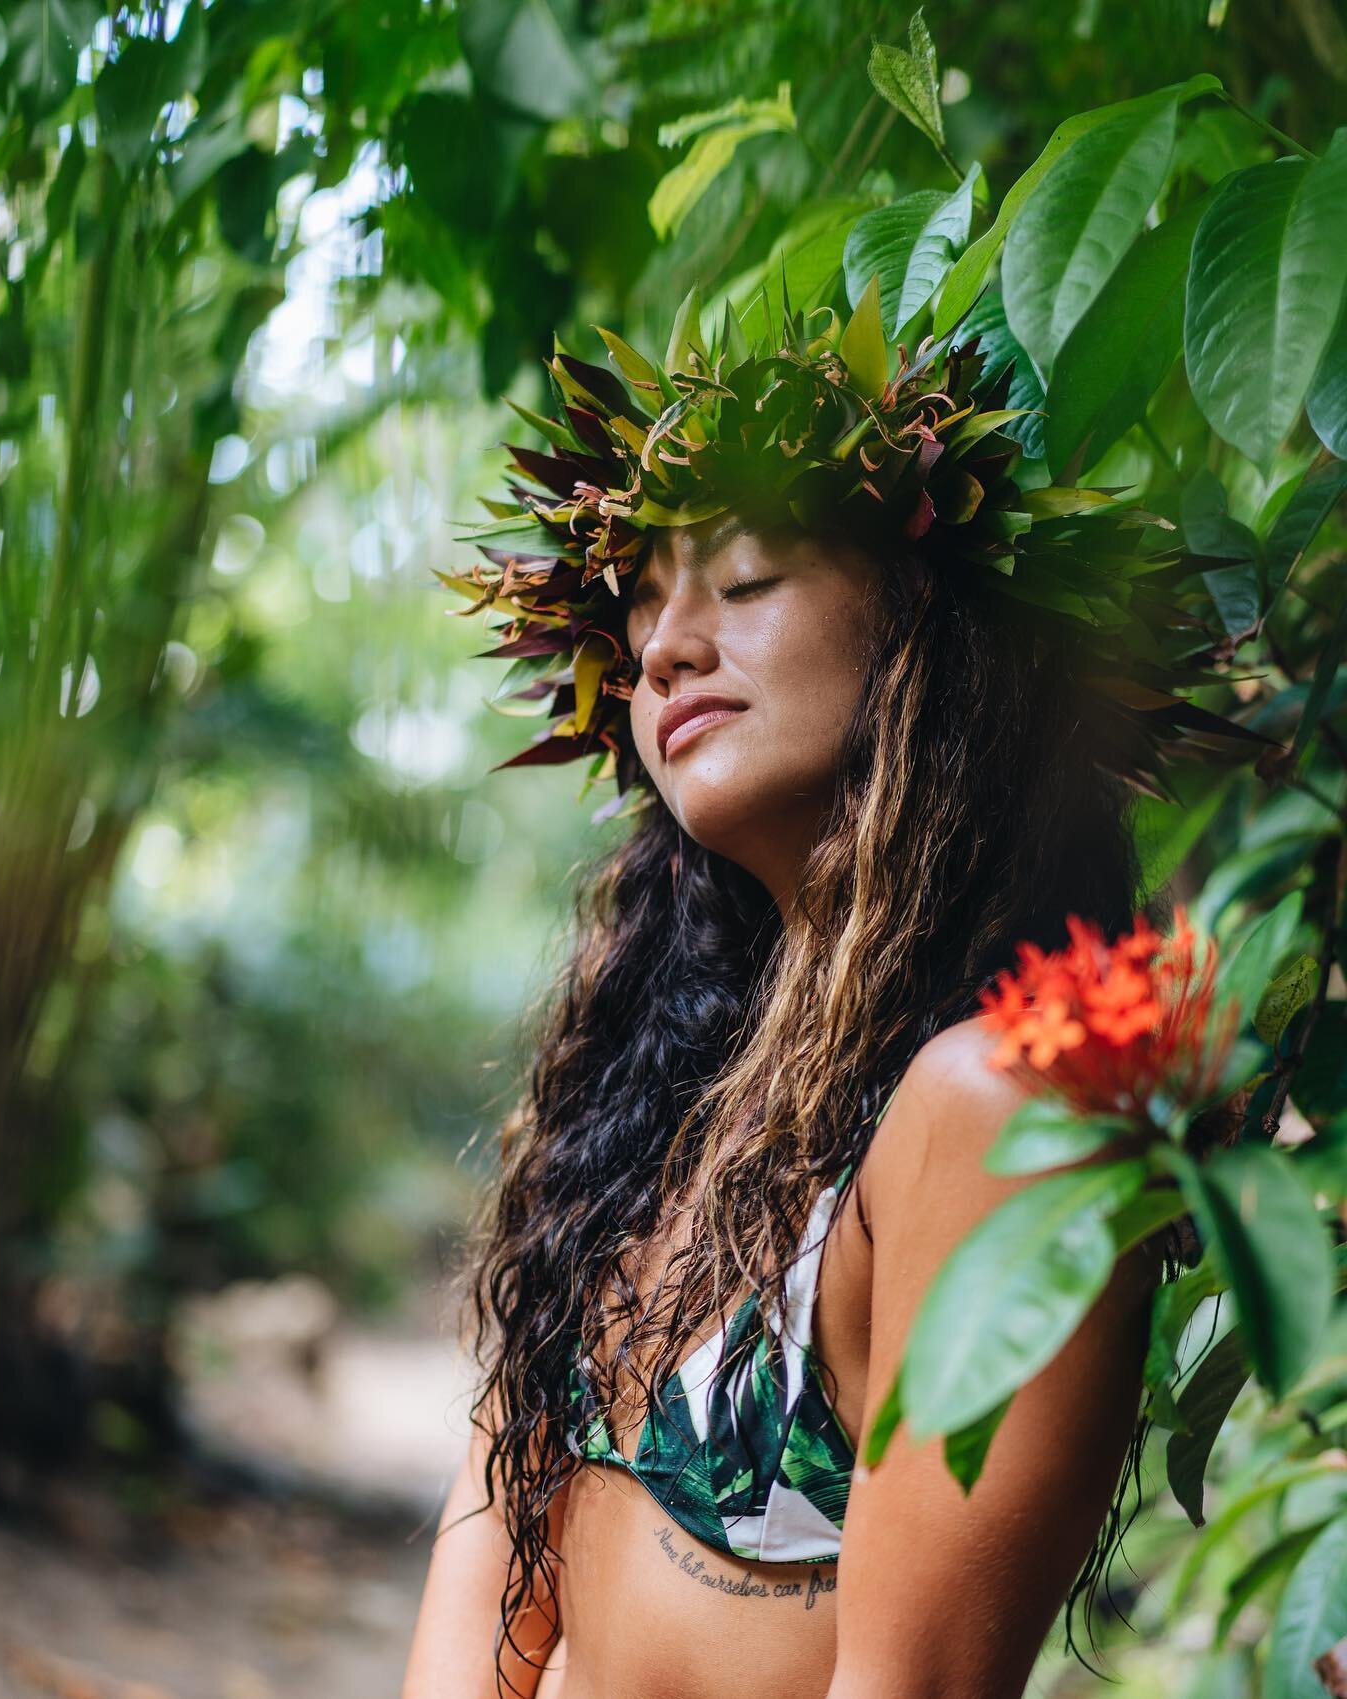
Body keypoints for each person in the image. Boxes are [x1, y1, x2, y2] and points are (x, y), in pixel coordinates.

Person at [404, 279, 1244, 1698]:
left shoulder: (992, 1109)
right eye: (644, 606)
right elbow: (490, 1565)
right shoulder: (652, 1097)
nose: (664, 645)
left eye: (740, 581)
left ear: (931, 635)